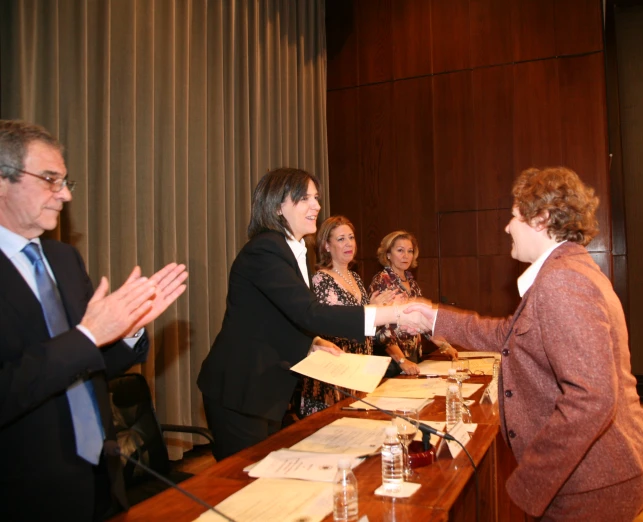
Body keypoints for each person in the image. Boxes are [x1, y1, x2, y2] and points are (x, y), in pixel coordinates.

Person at [406, 167, 643, 521]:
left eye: (513, 216)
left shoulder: (562, 283)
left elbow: (592, 398)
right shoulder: (565, 270)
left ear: (540, 219)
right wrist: (431, 317)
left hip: (593, 480)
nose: (507, 227)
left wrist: (529, 482)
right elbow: (505, 335)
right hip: (602, 471)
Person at [0, 120, 189, 521]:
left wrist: (129, 328)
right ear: (2, 180)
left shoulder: (64, 260)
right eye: (51, 179)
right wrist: (89, 335)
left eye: (66, 181)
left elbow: (92, 363)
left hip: (99, 476)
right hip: (25, 490)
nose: (65, 195)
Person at [197, 168, 427, 460]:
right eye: (305, 198)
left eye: (316, 198)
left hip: (266, 390)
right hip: (240, 389)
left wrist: (312, 342)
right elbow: (310, 312)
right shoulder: (265, 248)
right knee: (243, 486)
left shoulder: (291, 250)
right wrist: (390, 313)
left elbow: (279, 316)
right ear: (279, 206)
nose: (317, 205)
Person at [300, 215, 397, 416]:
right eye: (341, 239)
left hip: (358, 370)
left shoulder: (356, 278)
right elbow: (327, 327)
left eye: (351, 237)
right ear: (327, 246)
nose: (348, 243)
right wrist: (370, 309)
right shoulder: (321, 280)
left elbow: (364, 327)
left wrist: (379, 311)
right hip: (334, 372)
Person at [369, 230, 458, 376]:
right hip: (392, 361)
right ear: (388, 255)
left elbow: (423, 320)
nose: (406, 256)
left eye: (410, 251)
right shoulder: (382, 281)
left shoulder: (411, 282)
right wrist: (402, 360)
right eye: (400, 250)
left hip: (413, 357)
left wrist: (444, 346)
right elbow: (381, 329)